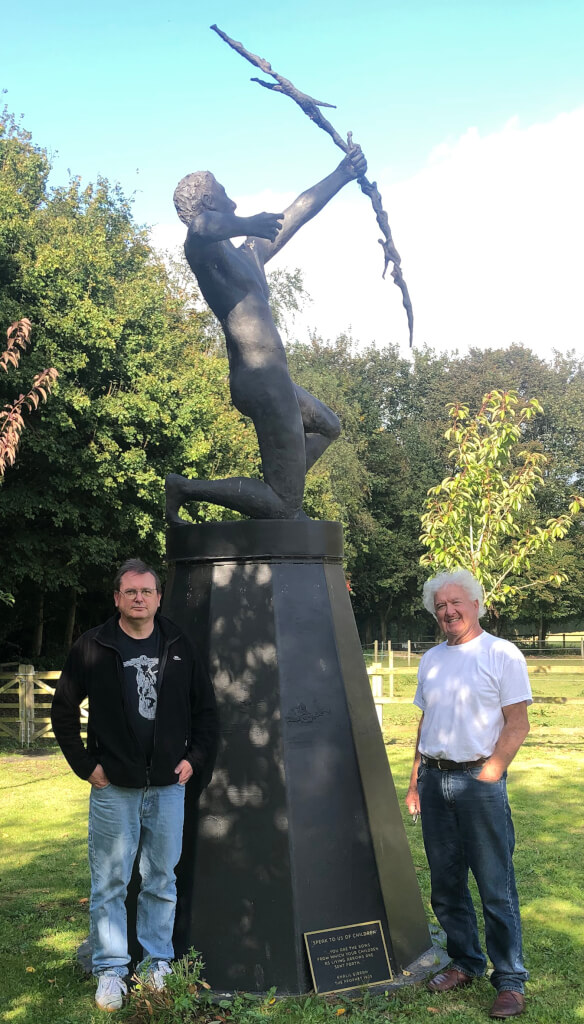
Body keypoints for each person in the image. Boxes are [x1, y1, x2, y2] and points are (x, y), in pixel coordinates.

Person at [166, 145, 367, 522]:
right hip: (258, 377)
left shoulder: (248, 254)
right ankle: (188, 488)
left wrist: (343, 173)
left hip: (276, 377)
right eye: (225, 192)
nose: (235, 199)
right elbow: (200, 227)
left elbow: (297, 211)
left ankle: (279, 490)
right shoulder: (203, 251)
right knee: (285, 507)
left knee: (328, 426)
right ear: (210, 200)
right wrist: (247, 223)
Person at [51, 559, 218, 1012]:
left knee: (161, 879)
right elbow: (63, 711)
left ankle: (156, 963)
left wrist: (193, 760)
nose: (139, 598)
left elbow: (206, 712)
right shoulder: (94, 646)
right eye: (131, 592)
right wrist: (88, 767)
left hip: (167, 787)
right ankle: (111, 970)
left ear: (159, 597)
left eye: (147, 591)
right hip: (114, 788)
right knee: (109, 880)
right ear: (117, 599)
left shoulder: (180, 644)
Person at [405, 569, 532, 1020]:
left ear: (477, 604)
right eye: (440, 606)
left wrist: (491, 773)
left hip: (479, 780)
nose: (448, 611)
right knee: (446, 883)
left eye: (456, 602)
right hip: (435, 783)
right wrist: (415, 779)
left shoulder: (502, 654)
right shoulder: (431, 660)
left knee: (495, 885)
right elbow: (426, 723)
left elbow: (518, 724)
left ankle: (511, 979)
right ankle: (465, 961)